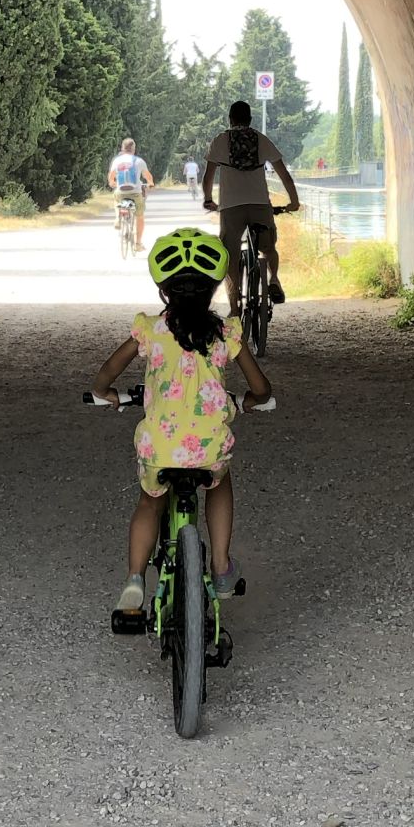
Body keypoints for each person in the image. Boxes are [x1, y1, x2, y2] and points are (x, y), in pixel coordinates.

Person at [89, 227, 273, 613]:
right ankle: (221, 567)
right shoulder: (226, 332)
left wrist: (105, 392)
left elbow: (107, 372)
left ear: (163, 291)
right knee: (219, 483)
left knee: (149, 503)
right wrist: (253, 400)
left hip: (160, 446)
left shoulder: (150, 330)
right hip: (208, 446)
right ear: (214, 289)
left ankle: (135, 579)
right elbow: (261, 387)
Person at [203, 100, 300, 310]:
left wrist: (208, 199)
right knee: (268, 248)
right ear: (250, 119)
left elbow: (208, 177)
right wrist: (294, 201)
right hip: (259, 204)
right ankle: (274, 279)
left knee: (231, 256)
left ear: (230, 119)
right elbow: (285, 175)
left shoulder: (220, 141)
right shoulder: (261, 140)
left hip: (231, 207)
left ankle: (234, 308)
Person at [106, 136, 155, 251]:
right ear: (134, 149)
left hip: (121, 192)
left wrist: (112, 183)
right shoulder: (139, 161)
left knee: (116, 198)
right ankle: (138, 244)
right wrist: (150, 183)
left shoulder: (117, 161)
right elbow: (147, 176)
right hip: (135, 193)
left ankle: (117, 218)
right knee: (140, 216)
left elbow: (111, 176)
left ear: (122, 148)